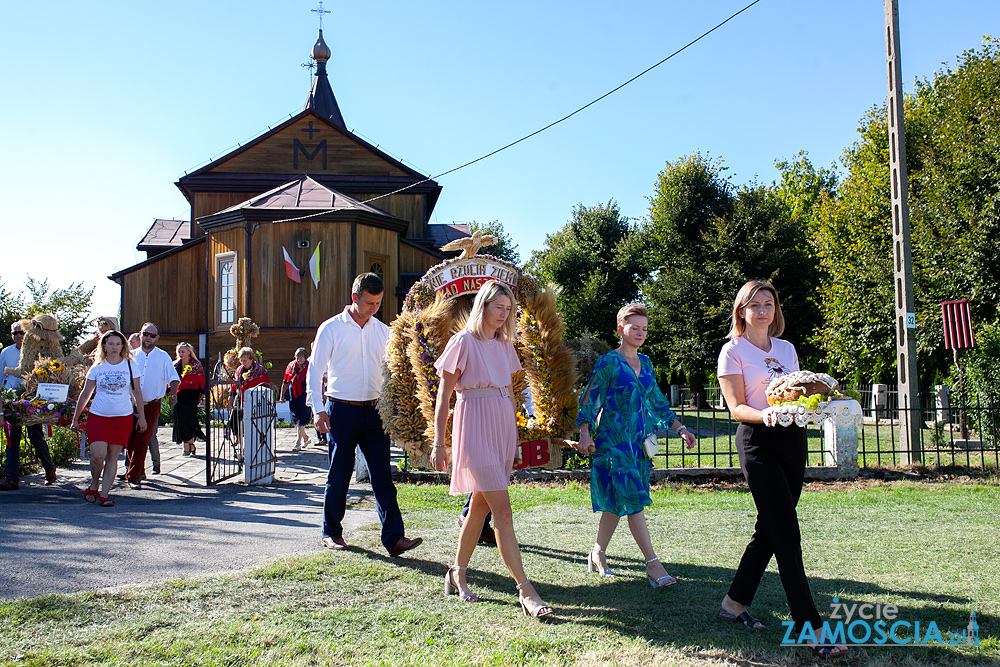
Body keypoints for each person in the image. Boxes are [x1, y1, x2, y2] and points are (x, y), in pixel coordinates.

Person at [716, 280, 847, 658]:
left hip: (794, 441)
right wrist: (768, 415)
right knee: (787, 534)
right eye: (753, 304)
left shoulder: (787, 349)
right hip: (758, 442)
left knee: (770, 530)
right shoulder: (732, 351)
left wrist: (815, 403)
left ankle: (734, 603)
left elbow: (797, 393)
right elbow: (737, 407)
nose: (761, 311)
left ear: (776, 310)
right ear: (741, 311)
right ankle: (812, 628)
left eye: (768, 304)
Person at [431, 280, 553, 617]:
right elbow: (443, 397)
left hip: (500, 426)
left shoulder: (504, 346)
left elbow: (510, 393)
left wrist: (513, 438)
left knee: (480, 508)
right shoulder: (462, 342)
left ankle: (457, 573)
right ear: (482, 306)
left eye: (508, 309)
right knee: (503, 510)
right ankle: (525, 590)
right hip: (473, 425)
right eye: (498, 307)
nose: (504, 314)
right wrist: (439, 443)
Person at [575, 303, 696, 587]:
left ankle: (597, 552)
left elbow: (657, 401)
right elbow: (590, 399)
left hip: (638, 443)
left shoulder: (647, 363)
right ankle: (653, 565)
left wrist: (680, 428)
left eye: (644, 328)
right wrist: (584, 432)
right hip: (613, 443)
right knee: (633, 499)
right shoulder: (608, 362)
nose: (640, 333)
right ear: (621, 329)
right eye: (634, 328)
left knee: (617, 505)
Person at [307, 272, 422, 557]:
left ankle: (394, 538)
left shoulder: (383, 331)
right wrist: (318, 409)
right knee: (339, 474)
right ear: (354, 296)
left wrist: (397, 414)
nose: (373, 308)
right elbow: (315, 370)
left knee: (383, 476)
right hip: (340, 411)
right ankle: (331, 532)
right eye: (369, 302)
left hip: (375, 413)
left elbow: (394, 372)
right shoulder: (330, 328)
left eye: (378, 303)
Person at [71, 330, 146, 507]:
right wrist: (76, 418)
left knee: (113, 456)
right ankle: (94, 484)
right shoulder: (98, 366)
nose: (114, 347)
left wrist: (141, 417)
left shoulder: (130, 365)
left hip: (122, 417)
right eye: (111, 344)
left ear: (122, 346)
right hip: (98, 416)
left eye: (118, 344)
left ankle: (105, 494)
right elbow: (85, 394)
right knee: (97, 455)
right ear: (104, 345)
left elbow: (137, 392)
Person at [1, 322, 58, 490]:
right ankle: (11, 478)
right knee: (12, 439)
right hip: (12, 400)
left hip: (33, 398)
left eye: (21, 333)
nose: (18, 336)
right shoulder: (6, 353)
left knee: (35, 436)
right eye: (15, 333)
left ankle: (49, 468)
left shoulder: (38, 352)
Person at [124, 323, 179, 487]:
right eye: (145, 334)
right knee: (130, 441)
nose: (148, 338)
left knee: (143, 438)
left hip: (151, 404)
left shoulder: (163, 357)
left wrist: (173, 394)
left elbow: (173, 377)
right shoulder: (131, 356)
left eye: (152, 335)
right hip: (130, 404)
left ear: (157, 338)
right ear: (140, 334)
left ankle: (132, 476)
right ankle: (139, 471)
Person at [172, 342, 205, 456]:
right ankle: (189, 443)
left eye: (183, 352)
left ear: (189, 352)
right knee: (180, 418)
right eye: (179, 352)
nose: (181, 354)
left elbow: (202, 382)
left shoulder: (196, 365)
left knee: (188, 418)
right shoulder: (175, 365)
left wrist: (204, 396)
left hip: (191, 395)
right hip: (179, 395)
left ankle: (187, 445)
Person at [279, 347, 311, 451]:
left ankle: (298, 442)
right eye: (297, 357)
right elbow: (285, 381)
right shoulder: (291, 366)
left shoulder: (309, 367)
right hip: (293, 394)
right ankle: (306, 437)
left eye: (301, 358)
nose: (298, 360)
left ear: (305, 358)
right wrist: (282, 395)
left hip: (304, 394)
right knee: (295, 420)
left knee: (301, 419)